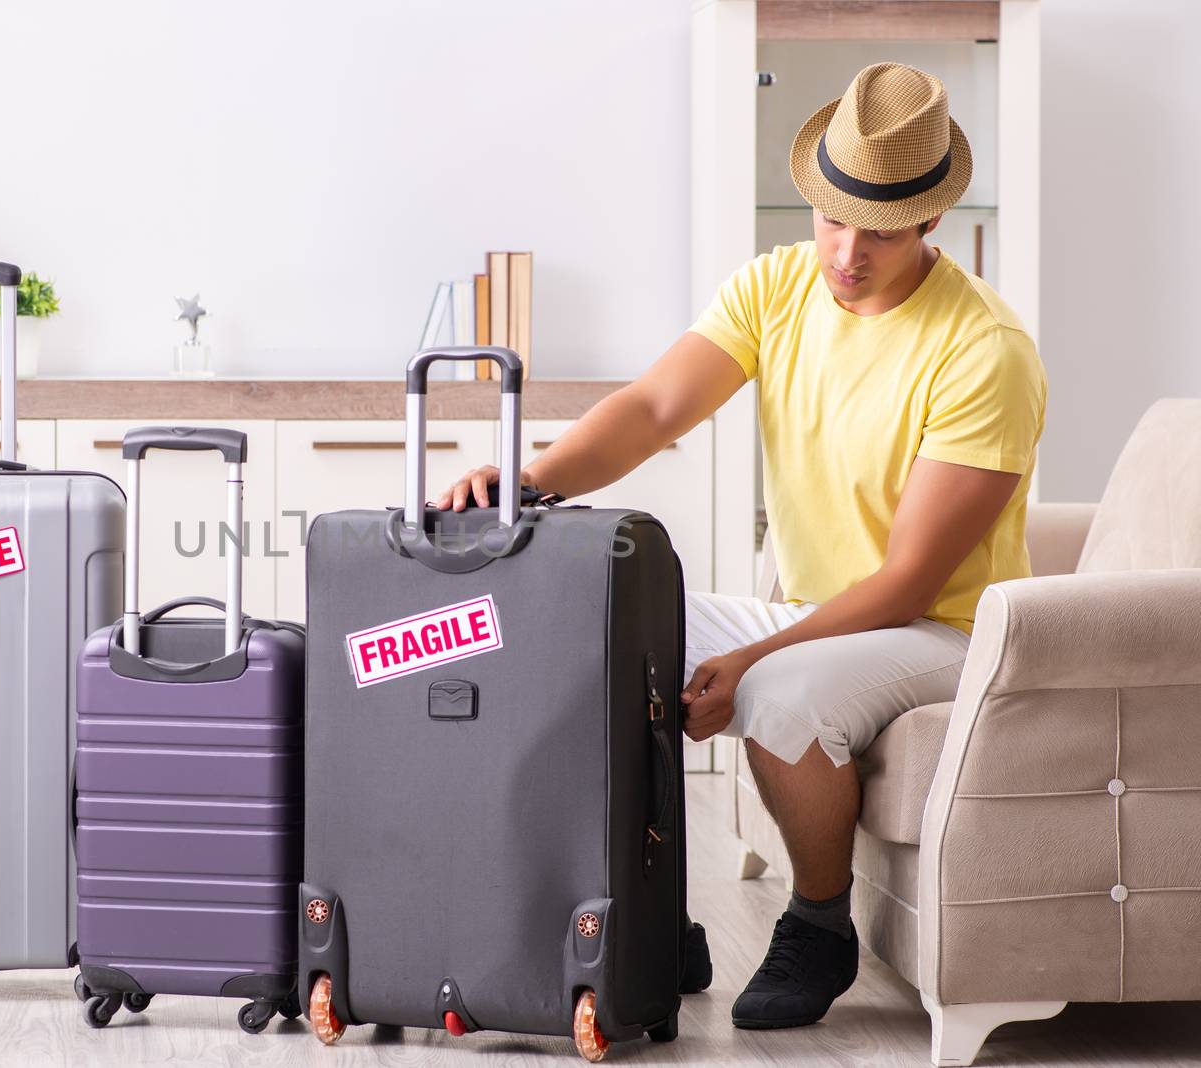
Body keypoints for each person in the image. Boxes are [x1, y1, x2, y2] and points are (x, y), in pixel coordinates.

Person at [434, 62, 1046, 1030]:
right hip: (812, 608)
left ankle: (817, 924)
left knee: (779, 692)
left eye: (879, 231)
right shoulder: (776, 285)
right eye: (832, 219)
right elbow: (650, 409)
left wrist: (749, 656)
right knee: (581, 625)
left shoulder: (983, 350)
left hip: (941, 630)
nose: (846, 253)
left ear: (929, 222)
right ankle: (647, 915)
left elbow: (907, 582)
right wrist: (531, 480)